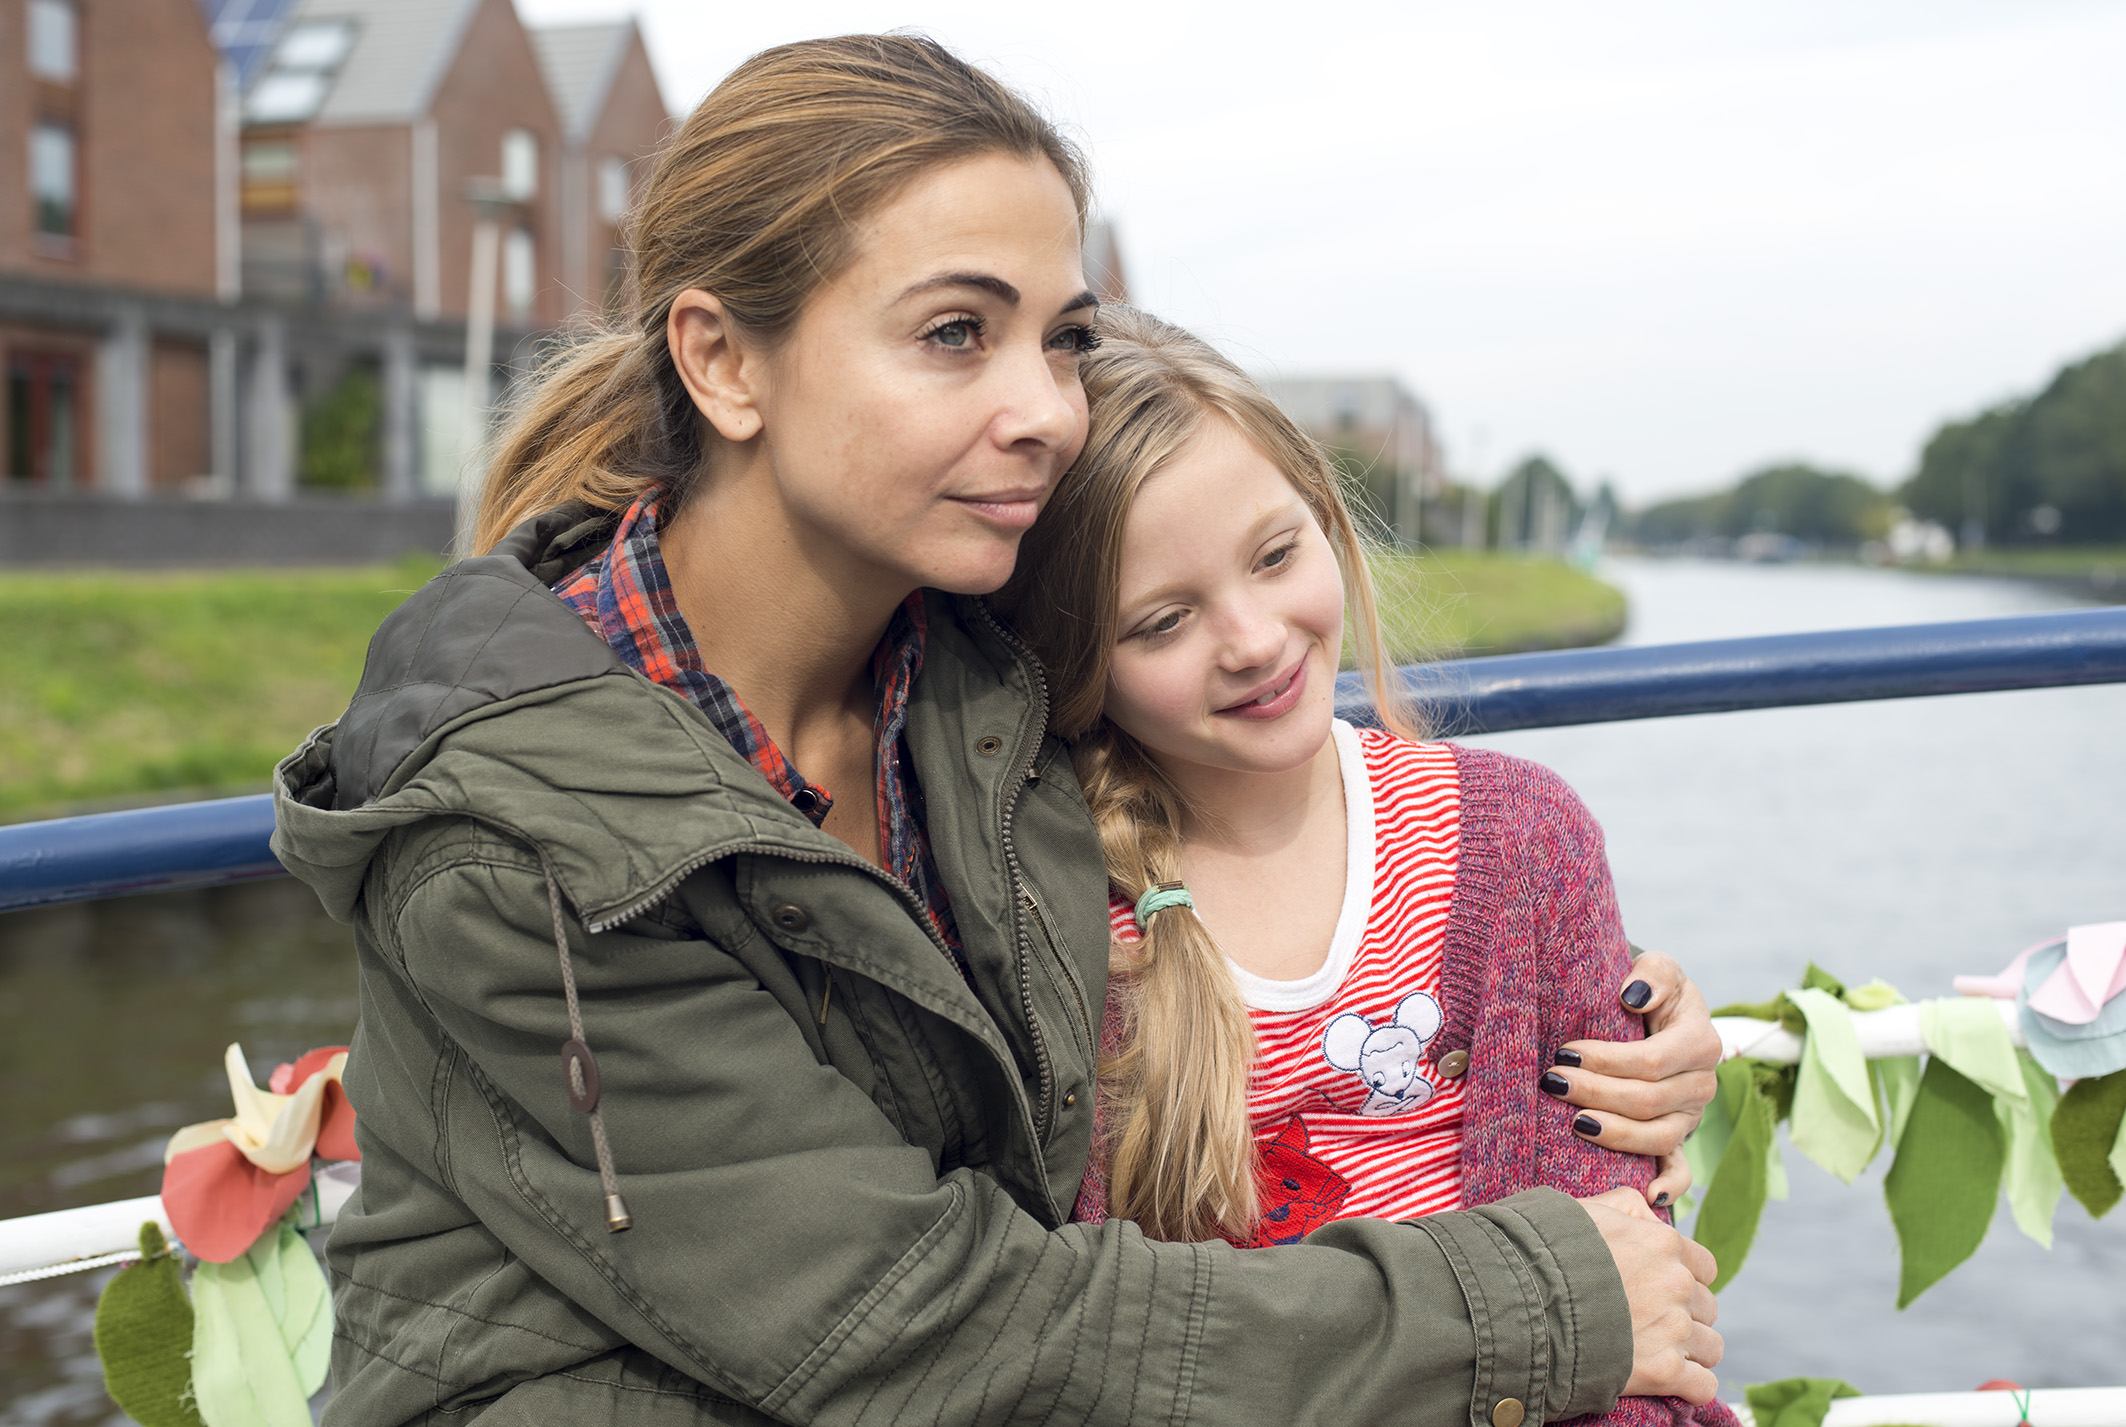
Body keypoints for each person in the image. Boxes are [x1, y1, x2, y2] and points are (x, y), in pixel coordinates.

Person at [272, 33, 1724, 1426]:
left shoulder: (982, 684)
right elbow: (911, 1323)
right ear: (722, 362)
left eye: (1063, 337)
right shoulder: (514, 841)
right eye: (955, 334)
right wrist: (1533, 1303)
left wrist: (1594, 1019)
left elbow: (1291, 907)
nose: (1044, 408)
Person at [996, 306, 1732, 1422]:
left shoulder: (1522, 843)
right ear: (1077, 661)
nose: (1250, 638)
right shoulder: (1058, 909)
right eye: (1159, 621)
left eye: (1276, 554)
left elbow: (1634, 1298)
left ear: (1326, 517)